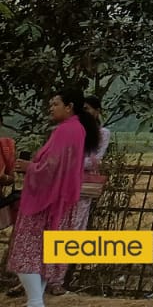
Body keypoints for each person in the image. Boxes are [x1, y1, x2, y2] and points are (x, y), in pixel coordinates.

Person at [6, 90, 99, 307]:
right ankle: (35, 300)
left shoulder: (66, 130)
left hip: (46, 202)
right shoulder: (77, 129)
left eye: (55, 104)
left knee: (27, 251)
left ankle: (35, 301)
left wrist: (30, 167)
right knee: (44, 253)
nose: (51, 108)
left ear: (69, 107)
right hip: (60, 201)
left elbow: (52, 168)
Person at [46, 96, 111, 295]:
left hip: (81, 190)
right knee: (53, 230)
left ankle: (57, 280)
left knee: (72, 233)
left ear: (98, 111)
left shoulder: (102, 134)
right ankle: (43, 277)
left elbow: (94, 160)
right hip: (60, 187)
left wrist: (68, 163)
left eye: (89, 109)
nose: (85, 113)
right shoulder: (69, 130)